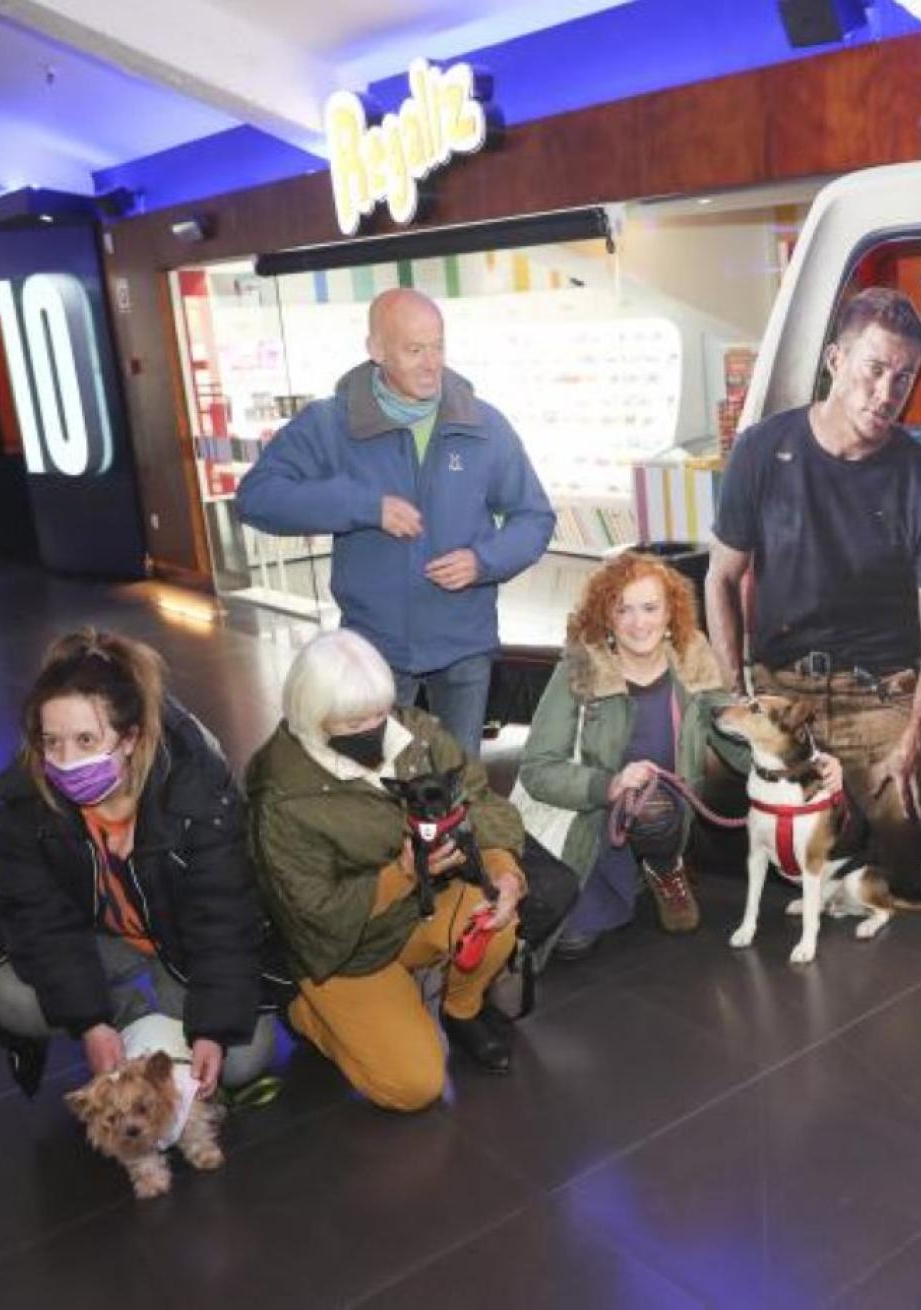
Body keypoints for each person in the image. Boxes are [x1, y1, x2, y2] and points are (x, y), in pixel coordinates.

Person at [705, 288, 921, 892]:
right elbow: (722, 576)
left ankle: (866, 877)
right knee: (708, 779)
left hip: (875, 693)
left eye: (904, 377)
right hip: (778, 687)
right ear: (835, 363)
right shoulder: (761, 451)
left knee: (907, 828)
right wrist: (731, 692)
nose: (887, 393)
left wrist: (915, 737)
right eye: (874, 369)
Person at [246, 628, 574, 1111]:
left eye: (381, 712)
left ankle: (459, 1009)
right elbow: (314, 916)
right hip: (347, 952)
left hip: (420, 909)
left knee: (496, 920)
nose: (377, 729)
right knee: (414, 1085)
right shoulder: (282, 798)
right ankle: (309, 1013)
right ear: (312, 717)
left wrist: (504, 869)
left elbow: (478, 798)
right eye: (356, 721)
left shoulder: (413, 732)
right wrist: (401, 872)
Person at [236, 287, 556, 757]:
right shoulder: (329, 423)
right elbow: (257, 497)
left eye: (438, 347)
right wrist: (363, 506)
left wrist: (483, 561)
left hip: (464, 643)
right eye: (414, 349)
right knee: (376, 783)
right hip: (372, 650)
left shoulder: (483, 425)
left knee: (459, 780)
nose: (432, 364)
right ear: (377, 351)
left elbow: (534, 516)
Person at [0, 630, 278, 1100]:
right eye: (50, 741)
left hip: (179, 939)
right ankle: (130, 1023)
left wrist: (212, 1030)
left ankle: (154, 1032)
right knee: (12, 998)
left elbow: (222, 914)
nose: (65, 761)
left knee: (240, 1059)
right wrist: (90, 1024)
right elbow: (39, 920)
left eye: (85, 740)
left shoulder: (197, 787)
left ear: (130, 738)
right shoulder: (25, 799)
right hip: (99, 938)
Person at [517, 551, 753, 959]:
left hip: (665, 808)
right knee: (570, 944)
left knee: (653, 809)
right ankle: (628, 871)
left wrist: (805, 765)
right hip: (596, 814)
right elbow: (538, 769)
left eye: (649, 608)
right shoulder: (580, 667)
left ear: (669, 613)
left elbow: (731, 731)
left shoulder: (692, 656)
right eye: (622, 609)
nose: (638, 622)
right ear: (605, 615)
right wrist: (607, 785)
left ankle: (664, 867)